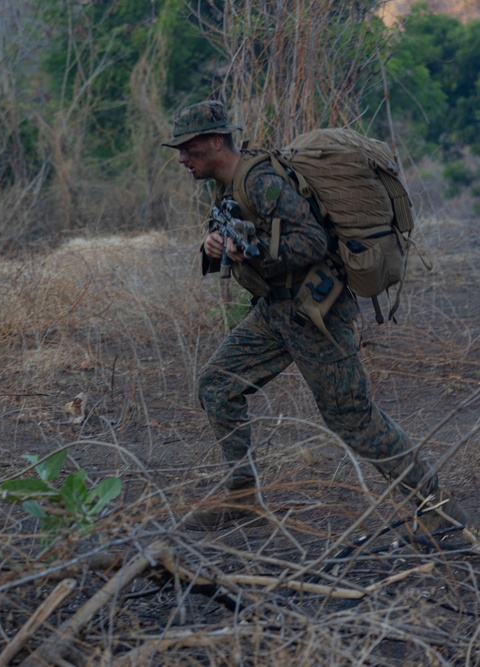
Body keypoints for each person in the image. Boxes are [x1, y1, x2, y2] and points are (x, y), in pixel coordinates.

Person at [162, 100, 470, 532]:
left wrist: (249, 252)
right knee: (217, 386)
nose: (181, 158)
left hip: (314, 311)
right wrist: (213, 245)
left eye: (188, 148)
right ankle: (243, 499)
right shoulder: (226, 184)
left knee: (352, 417)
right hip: (275, 311)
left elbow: (311, 243)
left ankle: (439, 511)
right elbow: (236, 232)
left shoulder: (263, 181)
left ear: (215, 141)